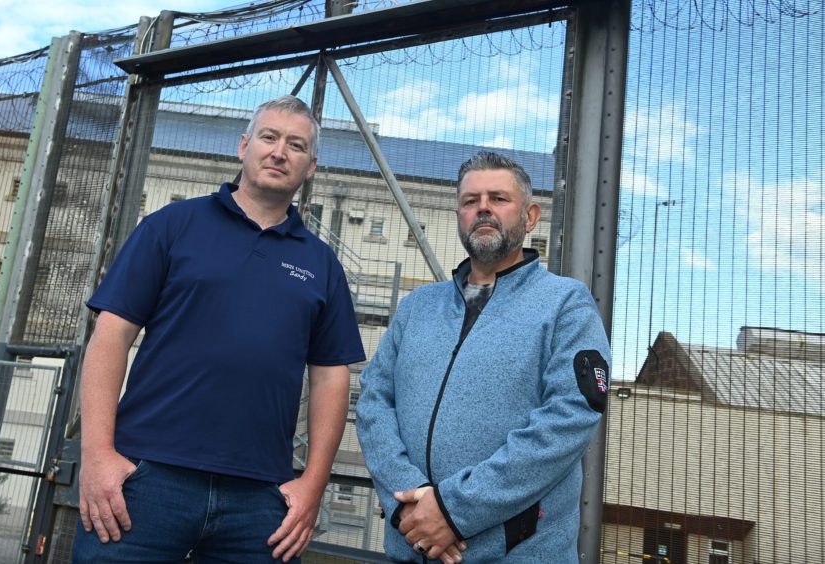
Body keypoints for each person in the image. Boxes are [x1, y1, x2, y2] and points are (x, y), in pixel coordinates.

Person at [72, 95, 366, 563]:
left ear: (310, 166)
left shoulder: (322, 265)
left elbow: (332, 375)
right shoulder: (171, 226)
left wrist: (312, 483)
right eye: (268, 138)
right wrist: (97, 455)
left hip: (259, 500)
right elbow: (110, 337)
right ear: (243, 146)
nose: (279, 152)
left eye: (296, 145)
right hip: (144, 480)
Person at [356, 151, 610, 563]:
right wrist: (409, 501)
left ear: (530, 217)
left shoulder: (566, 305)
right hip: (410, 544)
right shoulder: (418, 306)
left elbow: (569, 417)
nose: (483, 209)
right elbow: (373, 401)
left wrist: (455, 510)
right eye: (471, 200)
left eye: (498, 198)